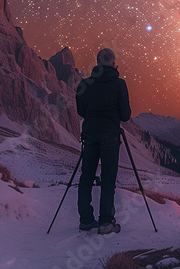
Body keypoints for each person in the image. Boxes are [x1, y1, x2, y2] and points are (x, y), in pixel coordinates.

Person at [76, 47, 132, 233]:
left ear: (97, 63)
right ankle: (106, 222)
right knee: (108, 178)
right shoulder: (119, 84)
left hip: (89, 134)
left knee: (87, 176)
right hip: (110, 135)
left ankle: (85, 220)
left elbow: (81, 112)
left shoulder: (85, 84)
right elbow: (125, 115)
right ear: (113, 63)